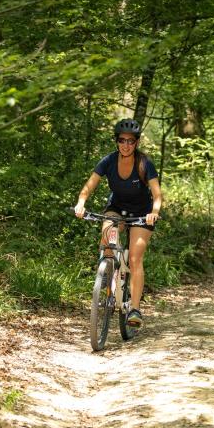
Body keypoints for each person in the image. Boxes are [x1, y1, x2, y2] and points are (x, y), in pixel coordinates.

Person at [74, 118, 162, 328]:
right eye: (122, 140)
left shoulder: (144, 164)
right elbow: (89, 185)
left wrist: (154, 212)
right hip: (116, 209)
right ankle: (107, 283)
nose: (126, 145)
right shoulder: (108, 161)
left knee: (134, 258)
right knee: (107, 243)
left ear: (137, 143)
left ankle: (135, 309)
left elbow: (157, 195)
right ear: (116, 141)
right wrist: (80, 203)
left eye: (130, 141)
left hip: (141, 213)